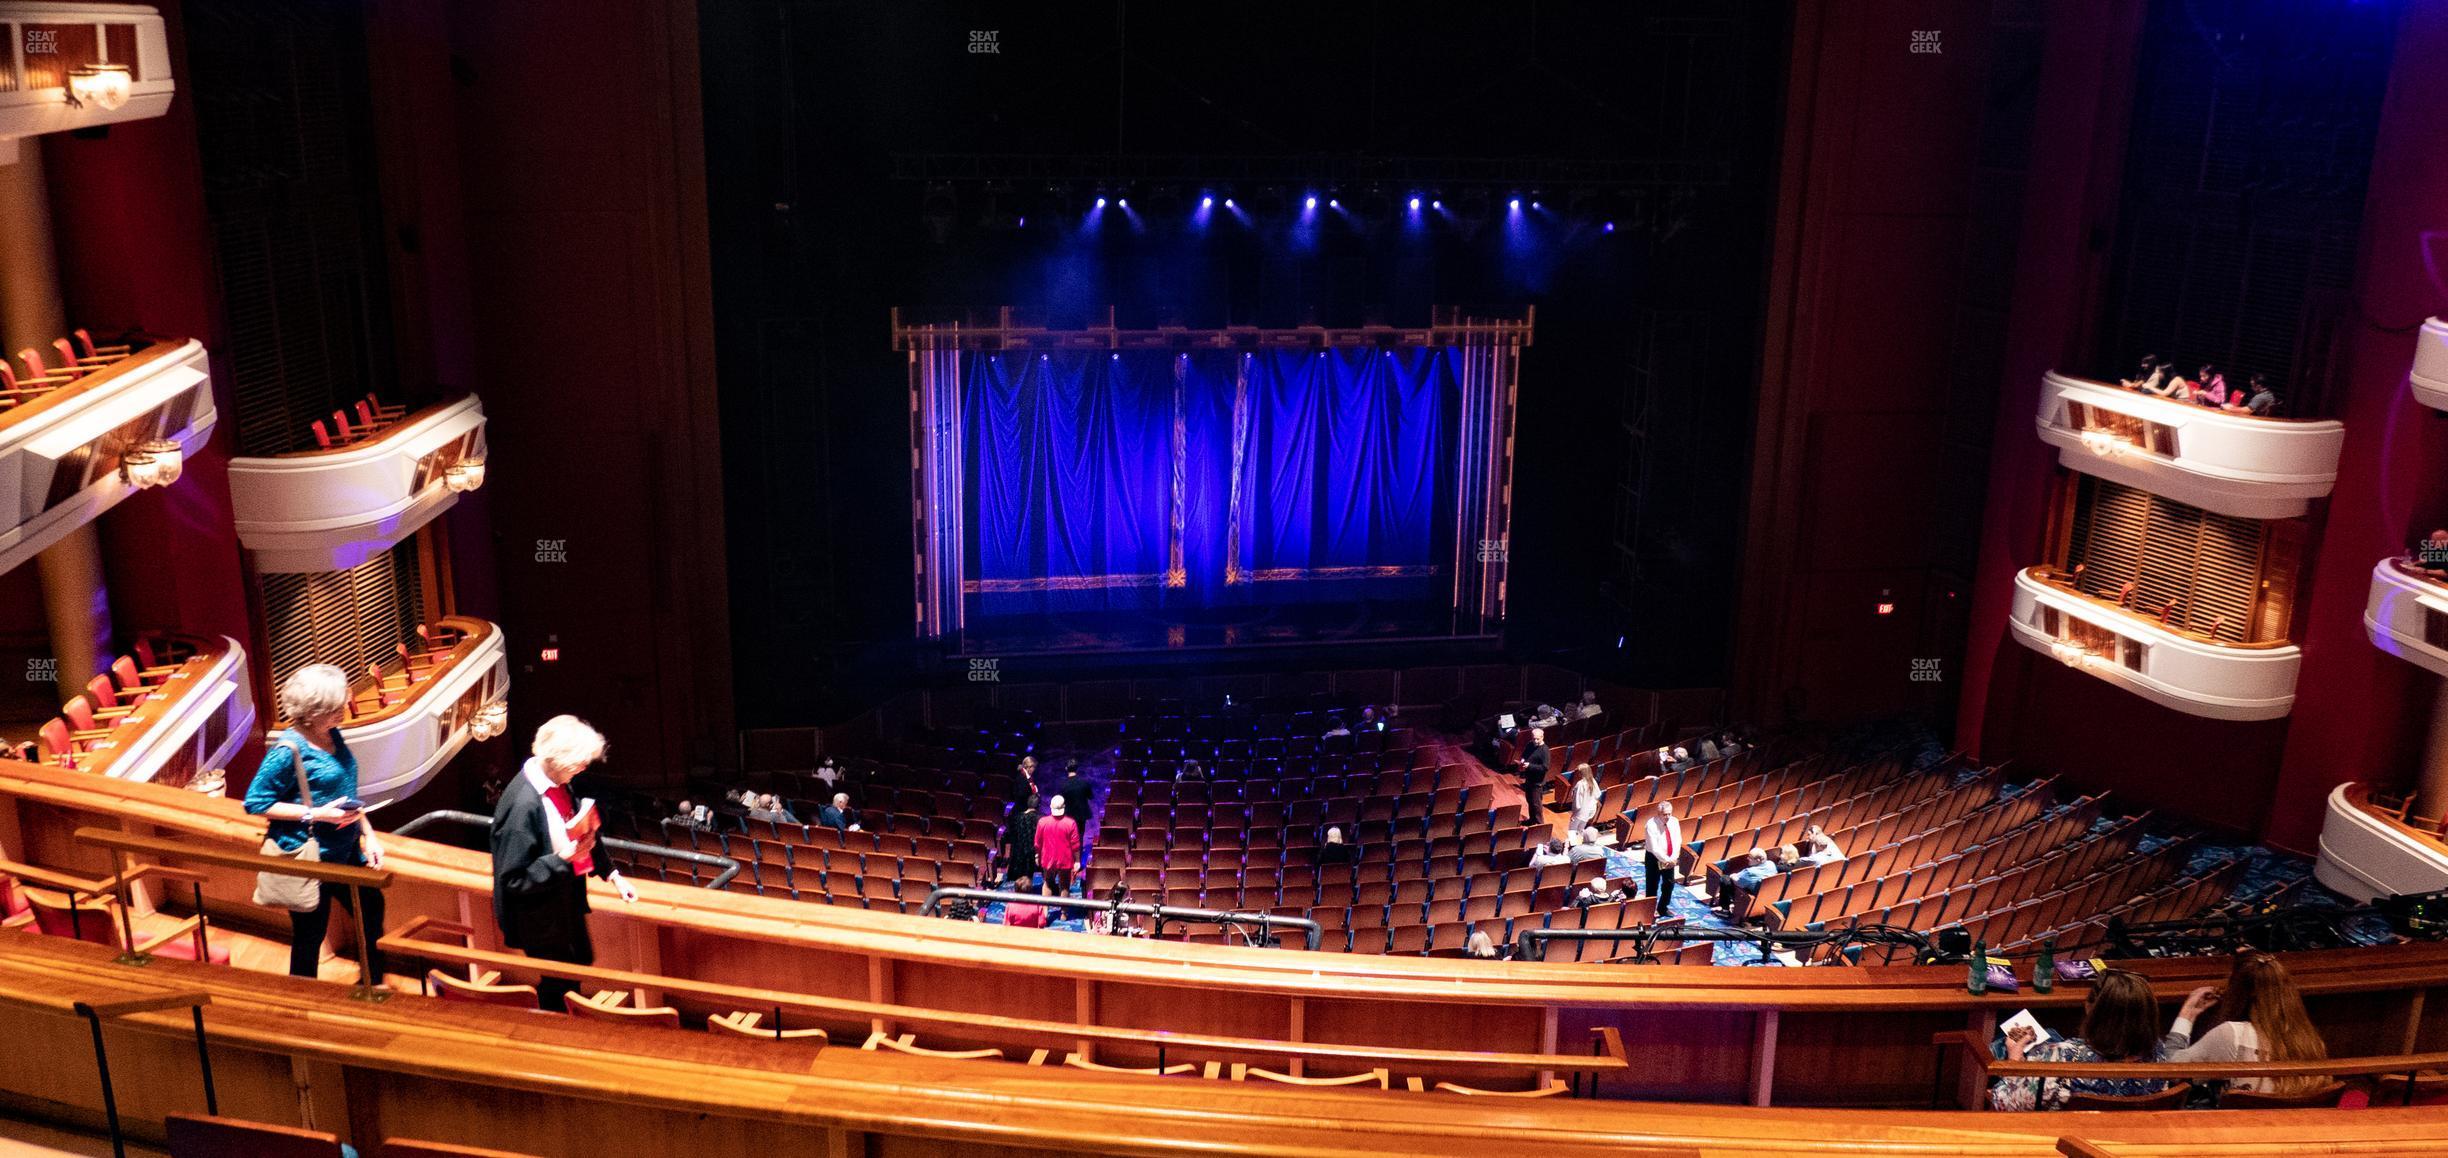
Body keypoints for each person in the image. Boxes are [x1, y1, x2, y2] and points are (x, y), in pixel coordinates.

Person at [246, 663, 387, 981]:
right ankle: (303, 1001)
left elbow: (346, 791)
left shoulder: (331, 733)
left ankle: (373, 985)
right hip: (308, 857)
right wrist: (317, 814)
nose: (343, 711)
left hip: (346, 852)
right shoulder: (287, 751)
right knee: (310, 936)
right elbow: (255, 803)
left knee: (371, 913)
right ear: (311, 712)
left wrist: (369, 835)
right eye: (333, 708)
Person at [491, 715, 637, 1012]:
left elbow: (582, 834)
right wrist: (562, 860)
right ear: (555, 758)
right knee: (559, 982)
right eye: (579, 762)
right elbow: (513, 880)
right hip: (541, 916)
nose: (584, 768)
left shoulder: (558, 781)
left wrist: (613, 875)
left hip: (564, 903)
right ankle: (557, 1033)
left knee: (581, 963)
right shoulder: (522, 807)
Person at [1992, 970, 2180, 1111]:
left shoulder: (2061, 1056)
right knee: (2050, 1034)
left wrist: (2015, 1059)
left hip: (2063, 1144)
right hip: (2126, 1142)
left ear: (2090, 1008)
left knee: (2001, 1044)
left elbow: (2006, 1104)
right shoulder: (2158, 1051)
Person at [2167, 952, 2331, 1097]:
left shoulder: (2232, 1035)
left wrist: (2187, 1014)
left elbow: (2170, 1071)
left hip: (2242, 1129)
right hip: (2299, 1128)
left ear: (2237, 991)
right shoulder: (2312, 1042)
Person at [1035, 794, 1082, 895]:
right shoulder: (1071, 823)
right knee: (1064, 885)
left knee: (1047, 883)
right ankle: (1063, 911)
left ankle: (1045, 910)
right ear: (1064, 807)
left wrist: (1037, 856)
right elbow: (1075, 845)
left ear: (1051, 807)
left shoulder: (1042, 822)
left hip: (1047, 857)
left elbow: (1037, 843)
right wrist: (1077, 861)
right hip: (1065, 859)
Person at [1642, 802, 1683, 911]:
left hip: (1670, 858)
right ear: (1659, 814)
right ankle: (1649, 910)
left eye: (1669, 814)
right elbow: (1654, 848)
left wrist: (1674, 858)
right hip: (1654, 859)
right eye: (1665, 814)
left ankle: (1663, 907)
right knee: (1652, 885)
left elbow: (1678, 840)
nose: (1668, 817)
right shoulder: (1651, 824)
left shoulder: (1674, 821)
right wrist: (1668, 860)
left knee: (1669, 883)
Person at [1000, 792, 1040, 885]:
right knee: (1026, 878)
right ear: (1038, 806)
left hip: (1016, 853)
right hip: (1029, 853)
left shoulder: (1016, 817)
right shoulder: (1038, 819)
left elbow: (1011, 835)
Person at [1518, 727, 1550, 803]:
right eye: (1533, 739)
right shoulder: (1530, 744)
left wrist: (1529, 766)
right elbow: (1525, 754)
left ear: (1542, 737)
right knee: (1529, 801)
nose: (1535, 741)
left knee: (1536, 804)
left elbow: (1545, 767)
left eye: (1537, 739)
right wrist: (1523, 760)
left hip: (1537, 782)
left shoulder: (1544, 750)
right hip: (1529, 778)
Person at [1569, 763, 1601, 835]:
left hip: (1579, 813)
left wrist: (1574, 813)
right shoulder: (1592, 781)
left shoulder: (1580, 784)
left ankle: (1574, 846)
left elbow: (1577, 802)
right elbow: (1598, 794)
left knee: (1572, 832)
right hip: (1588, 812)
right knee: (1580, 832)